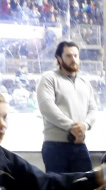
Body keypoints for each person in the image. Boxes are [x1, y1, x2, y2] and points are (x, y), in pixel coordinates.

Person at [36, 41, 98, 173]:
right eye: (69, 56)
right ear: (59, 58)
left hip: (79, 144)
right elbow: (47, 107)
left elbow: (93, 109)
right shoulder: (49, 78)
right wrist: (71, 126)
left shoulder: (84, 82)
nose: (73, 59)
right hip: (55, 145)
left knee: (86, 187)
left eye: (76, 55)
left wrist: (84, 125)